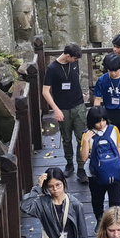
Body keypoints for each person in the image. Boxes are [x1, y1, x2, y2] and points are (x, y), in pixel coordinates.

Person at [20, 167, 87, 238]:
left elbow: (82, 231)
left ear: (64, 183)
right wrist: (37, 187)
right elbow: (25, 206)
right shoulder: (43, 203)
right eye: (51, 186)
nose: (55, 189)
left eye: (58, 185)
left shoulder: (75, 204)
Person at [42, 43, 87, 183]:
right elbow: (45, 91)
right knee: (66, 138)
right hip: (62, 107)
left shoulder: (74, 63)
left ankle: (81, 167)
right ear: (67, 56)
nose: (76, 61)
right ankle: (69, 163)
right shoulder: (52, 68)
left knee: (82, 137)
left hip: (78, 105)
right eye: (74, 58)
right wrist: (55, 108)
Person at [80, 106, 120, 230]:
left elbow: (119, 147)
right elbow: (83, 158)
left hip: (114, 170)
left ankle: (115, 223)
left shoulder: (113, 129)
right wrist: (86, 141)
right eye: (98, 121)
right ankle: (99, 219)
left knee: (115, 201)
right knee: (97, 199)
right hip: (95, 174)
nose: (101, 124)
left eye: (103, 120)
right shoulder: (87, 135)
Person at [94, 53, 120, 186]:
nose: (113, 73)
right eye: (110, 71)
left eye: (115, 70)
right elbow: (97, 98)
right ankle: (110, 166)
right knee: (108, 141)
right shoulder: (102, 80)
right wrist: (96, 115)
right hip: (109, 113)